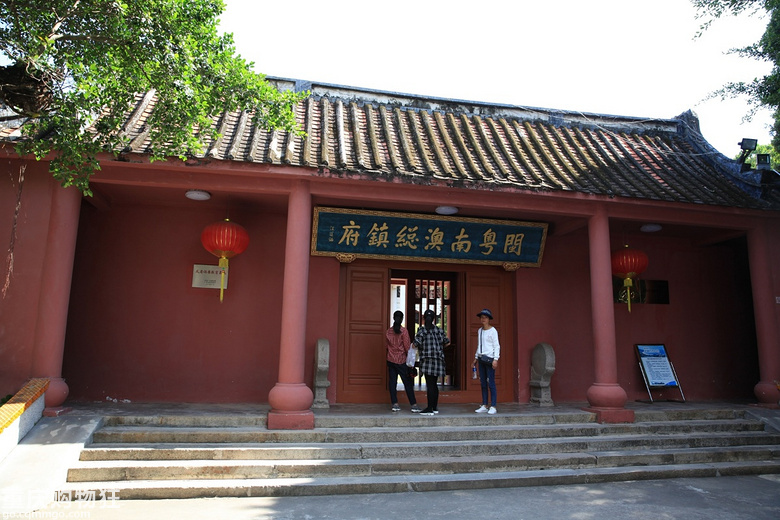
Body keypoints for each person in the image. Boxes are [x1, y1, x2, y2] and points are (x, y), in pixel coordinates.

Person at [413, 308, 450, 416]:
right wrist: (439, 348)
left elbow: (415, 344)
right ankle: (434, 407)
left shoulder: (422, 330)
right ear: (434, 319)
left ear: (424, 318)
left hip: (427, 360)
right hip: (438, 360)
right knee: (434, 384)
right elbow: (447, 342)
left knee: (430, 385)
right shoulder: (439, 330)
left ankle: (429, 408)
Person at [385, 310, 421, 413]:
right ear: (402, 319)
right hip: (401, 360)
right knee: (407, 383)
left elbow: (386, 346)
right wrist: (411, 361)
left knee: (392, 383)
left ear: (393, 318)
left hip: (391, 359)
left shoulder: (388, 331)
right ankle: (413, 405)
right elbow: (407, 347)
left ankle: (395, 404)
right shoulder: (404, 331)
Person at [473, 308, 500, 415]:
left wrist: (495, 359)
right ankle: (484, 404)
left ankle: (493, 405)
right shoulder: (480, 331)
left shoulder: (493, 331)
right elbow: (479, 345)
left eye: (485, 317)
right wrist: (475, 358)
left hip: (490, 359)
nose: (483, 319)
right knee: (483, 383)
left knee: (491, 382)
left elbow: (496, 346)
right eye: (482, 317)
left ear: (489, 319)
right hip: (481, 358)